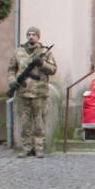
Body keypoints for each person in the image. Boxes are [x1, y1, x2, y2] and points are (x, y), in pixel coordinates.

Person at [7, 27, 57, 158]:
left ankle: (39, 148)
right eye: (29, 34)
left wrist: (41, 64)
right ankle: (26, 147)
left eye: (34, 34)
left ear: (38, 37)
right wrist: (12, 81)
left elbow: (53, 70)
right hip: (23, 93)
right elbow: (11, 69)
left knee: (39, 122)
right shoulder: (18, 52)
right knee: (25, 122)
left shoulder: (45, 53)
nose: (31, 36)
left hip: (39, 93)